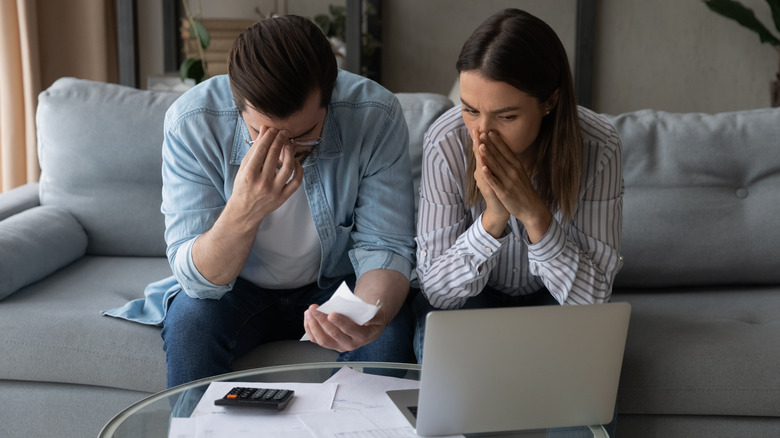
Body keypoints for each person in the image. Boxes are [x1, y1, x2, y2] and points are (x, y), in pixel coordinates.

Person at [104, 15, 417, 388]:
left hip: (338, 282)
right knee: (191, 327)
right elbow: (197, 280)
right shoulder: (192, 123)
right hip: (236, 288)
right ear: (238, 107)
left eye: (305, 135)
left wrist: (370, 316)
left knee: (388, 336)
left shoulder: (375, 116)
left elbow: (386, 246)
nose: (285, 150)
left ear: (329, 102)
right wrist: (243, 209)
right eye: (261, 133)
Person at [414, 8, 624, 359]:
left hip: (554, 298)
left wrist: (534, 215)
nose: (482, 133)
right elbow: (437, 292)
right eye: (469, 110)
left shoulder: (599, 146)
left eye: (506, 116)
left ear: (550, 102)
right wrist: (492, 221)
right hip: (470, 299)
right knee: (460, 391)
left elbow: (593, 300)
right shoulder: (446, 142)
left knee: (580, 400)